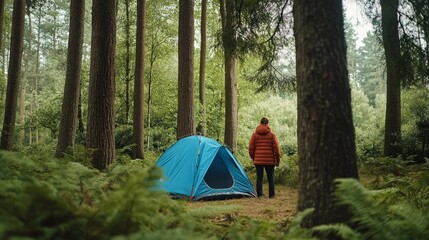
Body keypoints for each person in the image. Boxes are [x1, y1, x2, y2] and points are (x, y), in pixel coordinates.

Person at [248, 116, 281, 198]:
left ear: (260, 123)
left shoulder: (255, 135)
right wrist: (277, 160)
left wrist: (253, 157)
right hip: (270, 160)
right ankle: (272, 195)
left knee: (259, 178)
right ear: (267, 123)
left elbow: (251, 148)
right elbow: (276, 148)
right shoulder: (272, 135)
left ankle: (259, 195)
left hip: (258, 160)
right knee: (271, 178)